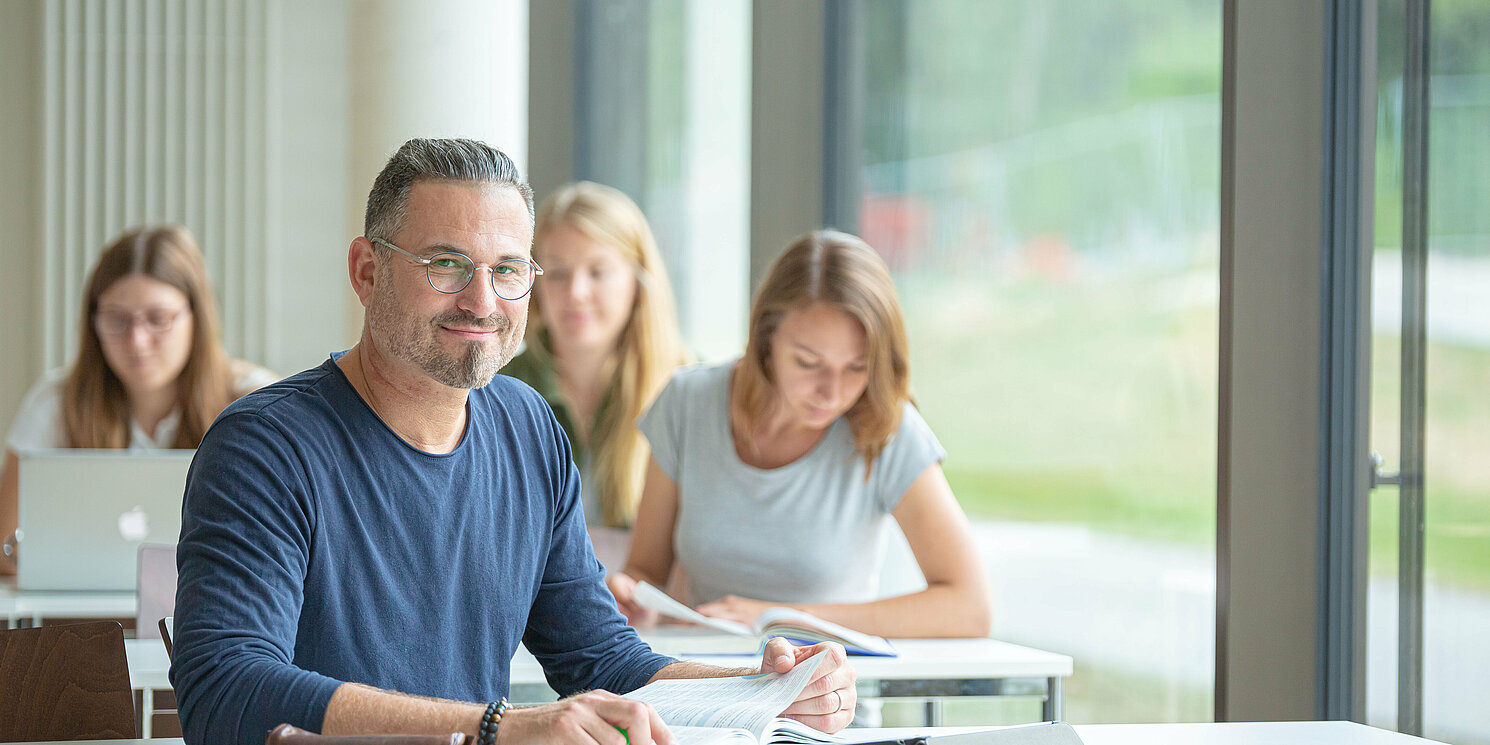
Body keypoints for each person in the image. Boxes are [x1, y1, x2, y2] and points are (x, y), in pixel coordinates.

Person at [170, 138, 856, 745]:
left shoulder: (528, 428)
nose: (482, 302)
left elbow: (602, 660)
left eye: (507, 270)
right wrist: (493, 727)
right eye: (446, 264)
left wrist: (763, 686)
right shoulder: (264, 448)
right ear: (367, 271)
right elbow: (227, 694)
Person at [608, 230, 993, 639]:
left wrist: (779, 617)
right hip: (704, 686)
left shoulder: (887, 429)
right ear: (765, 341)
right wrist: (631, 594)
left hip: (829, 695)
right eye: (809, 363)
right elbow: (646, 570)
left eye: (857, 367)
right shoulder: (687, 403)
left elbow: (969, 608)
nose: (833, 392)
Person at [0, 224, 277, 574]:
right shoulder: (55, 403)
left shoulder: (256, 401)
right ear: (92, 320)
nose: (137, 341)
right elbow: (4, 548)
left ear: (197, 316)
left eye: (158, 319)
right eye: (116, 320)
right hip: (83, 623)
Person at [502, 182, 688, 566]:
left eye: (598, 272)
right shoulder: (500, 388)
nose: (576, 293)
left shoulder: (686, 390)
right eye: (556, 274)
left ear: (638, 282)